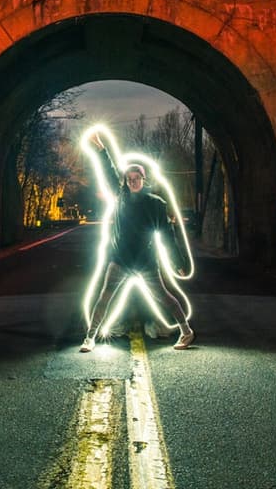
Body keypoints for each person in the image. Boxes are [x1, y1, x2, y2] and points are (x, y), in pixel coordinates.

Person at [80, 130, 195, 352]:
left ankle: (187, 332)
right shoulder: (121, 196)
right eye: (129, 179)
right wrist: (101, 149)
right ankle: (90, 338)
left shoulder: (156, 204)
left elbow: (168, 236)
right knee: (104, 298)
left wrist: (177, 262)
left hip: (146, 261)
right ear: (126, 181)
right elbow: (109, 171)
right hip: (120, 259)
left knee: (165, 298)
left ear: (143, 179)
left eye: (137, 179)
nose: (133, 182)